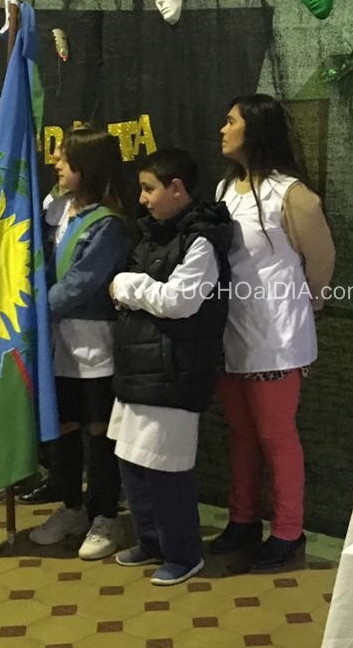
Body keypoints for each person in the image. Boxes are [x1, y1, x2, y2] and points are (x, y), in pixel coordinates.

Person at [211, 94, 335, 570]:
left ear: (256, 130)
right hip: (232, 332)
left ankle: (288, 532)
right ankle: (243, 520)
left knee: (276, 436)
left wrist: (311, 305)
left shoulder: (293, 195)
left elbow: (321, 261)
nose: (223, 129)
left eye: (231, 121)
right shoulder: (226, 189)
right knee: (242, 433)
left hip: (277, 339)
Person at [109, 147, 232, 586]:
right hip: (137, 365)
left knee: (166, 467)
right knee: (132, 462)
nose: (142, 199)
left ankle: (183, 553)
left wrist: (128, 285)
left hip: (175, 368)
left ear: (176, 188)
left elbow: (179, 301)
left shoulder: (201, 242)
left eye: (149, 189)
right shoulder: (153, 236)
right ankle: (152, 541)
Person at [28, 124, 132, 560]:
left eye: (65, 159)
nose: (55, 163)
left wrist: (30, 313)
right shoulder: (55, 211)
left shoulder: (108, 224)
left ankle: (105, 513)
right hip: (57, 345)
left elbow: (79, 285)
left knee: (98, 431)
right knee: (64, 428)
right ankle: (71, 507)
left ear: (86, 167)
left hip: (94, 346)